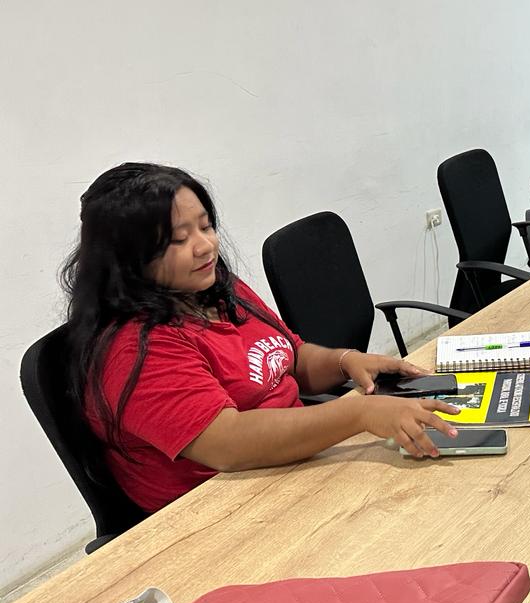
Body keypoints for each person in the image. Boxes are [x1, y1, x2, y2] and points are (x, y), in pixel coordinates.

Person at [62, 162, 461, 513]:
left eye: (206, 226)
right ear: (127, 260)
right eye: (178, 240)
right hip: (225, 509)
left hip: (292, 469)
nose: (205, 246)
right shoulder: (135, 348)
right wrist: (359, 414)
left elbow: (289, 357)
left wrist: (346, 361)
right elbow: (228, 444)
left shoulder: (214, 287)